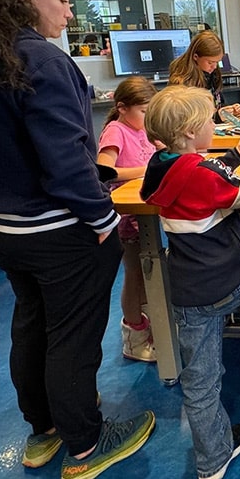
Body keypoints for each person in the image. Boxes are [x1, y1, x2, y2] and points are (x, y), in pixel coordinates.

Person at [0, 0, 155, 479]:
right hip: (60, 229)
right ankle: (86, 442)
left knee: (32, 324)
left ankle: (45, 430)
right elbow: (66, 162)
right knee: (74, 336)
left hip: (2, 228)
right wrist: (103, 222)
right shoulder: (43, 60)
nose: (69, 11)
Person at [139, 85, 240, 479]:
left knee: (200, 378)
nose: (214, 125)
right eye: (208, 121)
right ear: (188, 132)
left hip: (188, 290)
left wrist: (236, 153)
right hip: (228, 283)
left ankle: (211, 460)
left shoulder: (161, 165)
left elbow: (203, 176)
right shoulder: (204, 173)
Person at [97, 76, 159, 363]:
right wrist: (145, 170)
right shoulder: (116, 131)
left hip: (146, 214)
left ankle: (150, 325)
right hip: (127, 218)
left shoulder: (140, 129)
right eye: (145, 111)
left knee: (149, 274)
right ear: (122, 107)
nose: (147, 118)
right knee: (134, 275)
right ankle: (133, 335)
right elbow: (104, 171)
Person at [168, 29, 240, 120]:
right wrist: (217, 117)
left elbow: (218, 102)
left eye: (217, 62)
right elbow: (185, 118)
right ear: (195, 57)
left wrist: (229, 110)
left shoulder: (212, 74)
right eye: (210, 62)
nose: (214, 67)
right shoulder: (181, 83)